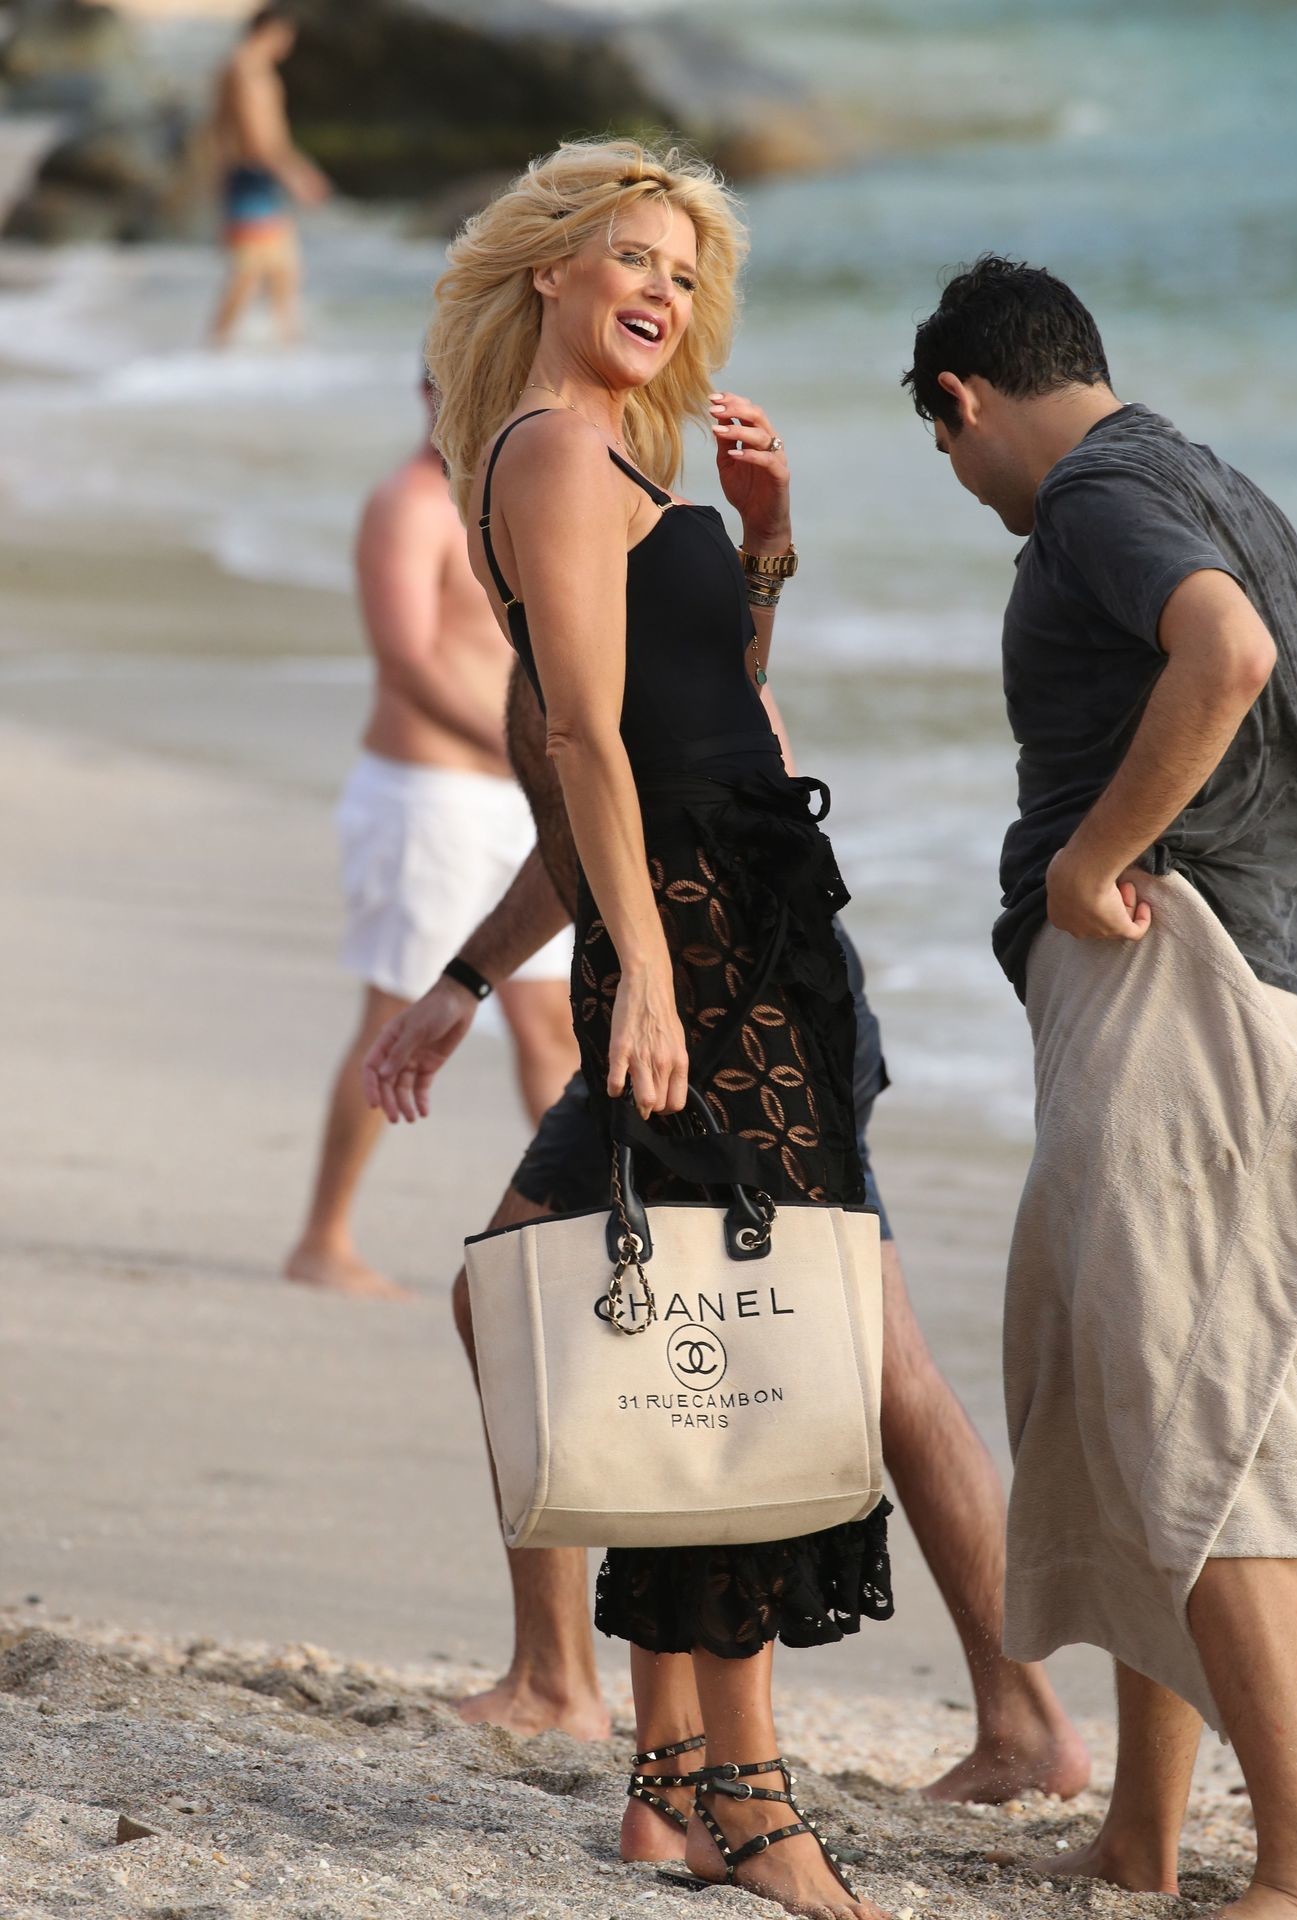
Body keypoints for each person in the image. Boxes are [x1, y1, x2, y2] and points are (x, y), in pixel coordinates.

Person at [406, 134, 896, 1920]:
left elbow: (708, 704)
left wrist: (764, 545)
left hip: (738, 912)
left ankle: (671, 1784)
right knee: (741, 1349)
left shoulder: (619, 458)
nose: (662, 295)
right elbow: (586, 746)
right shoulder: (547, 450)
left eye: (685, 276)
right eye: (632, 257)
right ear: (550, 267)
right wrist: (652, 971)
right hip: (698, 936)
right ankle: (748, 1805)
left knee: (697, 1319)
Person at [367, 660, 1092, 1807]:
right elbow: (594, 836)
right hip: (707, 1005)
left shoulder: (619, 610)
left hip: (730, 1020)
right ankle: (1018, 1719)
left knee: (544, 1304)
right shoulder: (585, 614)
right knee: (857, 1348)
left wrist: (693, 1024)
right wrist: (468, 978)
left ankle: (567, 1683)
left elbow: (717, 821)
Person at [906, 254, 1297, 1920]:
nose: (963, 486)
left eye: (945, 451)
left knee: (1198, 1422)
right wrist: (1279, 952)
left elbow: (1222, 657)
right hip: (1237, 988)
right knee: (1131, 1412)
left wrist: (1092, 861)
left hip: (1168, 987)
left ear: (958, 399)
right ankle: (1139, 1837)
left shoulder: (1092, 499)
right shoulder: (1222, 486)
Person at [284, 377, 578, 1300]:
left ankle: (586, 1229)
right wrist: (531, 754)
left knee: (552, 1021)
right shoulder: (407, 505)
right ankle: (323, 1238)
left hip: (520, 801)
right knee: (397, 1012)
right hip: (429, 798)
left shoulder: (512, 503)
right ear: (427, 390)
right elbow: (408, 662)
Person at [207, 6, 329, 348]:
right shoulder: (247, 70)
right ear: (273, 31)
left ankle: (283, 353)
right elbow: (257, 142)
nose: (289, 44)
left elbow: (270, 138)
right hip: (251, 179)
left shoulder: (249, 68)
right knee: (250, 273)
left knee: (282, 270)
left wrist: (301, 169)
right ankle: (216, 349)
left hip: (254, 178)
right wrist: (295, 177)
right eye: (287, 35)